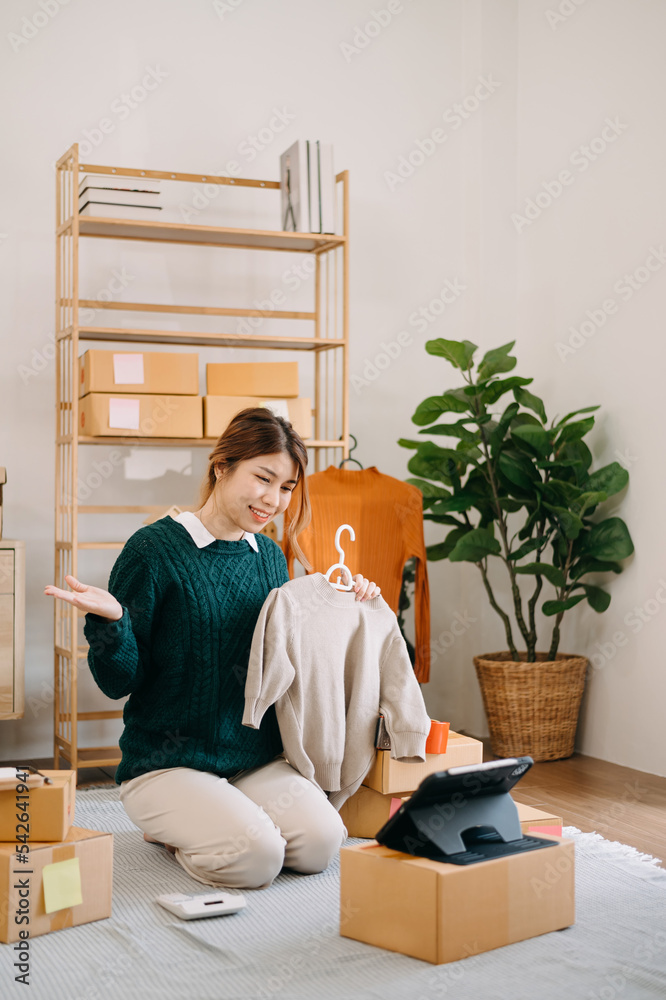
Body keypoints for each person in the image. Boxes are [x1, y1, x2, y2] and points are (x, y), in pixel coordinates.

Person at [45, 407, 380, 890]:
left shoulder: (267, 557)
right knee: (258, 857)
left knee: (322, 842)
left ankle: (217, 817)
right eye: (263, 478)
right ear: (222, 466)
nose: (273, 500)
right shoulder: (153, 550)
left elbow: (287, 660)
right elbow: (119, 682)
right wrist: (111, 622)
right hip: (167, 763)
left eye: (286, 488)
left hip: (252, 759)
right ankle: (172, 830)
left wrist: (348, 602)